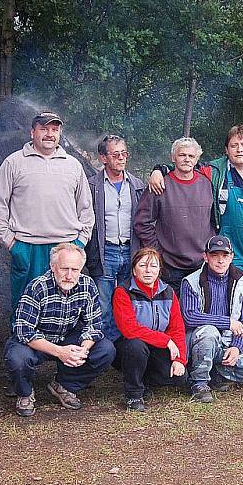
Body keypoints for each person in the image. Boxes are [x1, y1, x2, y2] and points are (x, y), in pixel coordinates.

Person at [148, 125, 243, 345]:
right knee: (233, 297)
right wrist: (160, 169)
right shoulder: (215, 171)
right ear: (226, 150)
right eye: (234, 145)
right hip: (230, 248)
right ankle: (227, 347)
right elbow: (185, 166)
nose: (239, 149)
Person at [0, 111, 94, 310]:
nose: (49, 134)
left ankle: (60, 341)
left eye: (54, 130)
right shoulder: (14, 163)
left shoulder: (73, 165)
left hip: (65, 246)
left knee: (64, 305)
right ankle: (22, 340)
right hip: (28, 246)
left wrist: (80, 241)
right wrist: (11, 243)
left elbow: (86, 208)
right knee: (26, 303)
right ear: (32, 132)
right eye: (43, 129)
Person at [4, 243, 115, 416]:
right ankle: (25, 393)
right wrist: (59, 352)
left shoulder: (88, 285)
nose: (69, 275)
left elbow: (94, 325)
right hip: (36, 340)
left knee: (105, 350)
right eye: (64, 268)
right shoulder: (37, 286)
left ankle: (64, 385)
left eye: (75, 269)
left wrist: (83, 350)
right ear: (53, 267)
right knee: (17, 358)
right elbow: (23, 331)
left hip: (66, 336)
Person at [180, 235, 243, 403]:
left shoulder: (239, 280)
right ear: (206, 257)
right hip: (200, 341)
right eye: (215, 255)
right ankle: (199, 383)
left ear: (231, 257)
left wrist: (237, 348)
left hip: (227, 343)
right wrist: (227, 322)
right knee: (209, 332)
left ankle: (218, 372)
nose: (220, 260)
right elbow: (189, 316)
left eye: (224, 256)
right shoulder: (191, 281)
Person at [134, 137, 215, 292]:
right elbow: (142, 222)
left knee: (199, 313)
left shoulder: (207, 184)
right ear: (173, 158)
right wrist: (157, 251)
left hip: (201, 264)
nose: (186, 159)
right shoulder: (160, 184)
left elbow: (214, 220)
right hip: (170, 266)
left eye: (191, 156)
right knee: (172, 312)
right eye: (182, 155)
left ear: (197, 159)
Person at [112, 247, 188, 412]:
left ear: (159, 270)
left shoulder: (168, 292)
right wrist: (166, 340)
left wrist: (179, 359)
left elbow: (177, 329)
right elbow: (129, 329)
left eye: (153, 266)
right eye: (142, 266)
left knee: (179, 378)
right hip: (128, 347)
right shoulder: (123, 292)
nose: (148, 271)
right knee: (136, 346)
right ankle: (134, 394)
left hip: (157, 348)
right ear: (133, 269)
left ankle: (144, 378)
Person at [86, 135, 146, 341]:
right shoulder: (91, 186)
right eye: (115, 154)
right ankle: (104, 349)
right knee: (102, 303)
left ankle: (123, 348)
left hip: (130, 251)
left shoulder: (138, 186)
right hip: (105, 251)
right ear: (103, 158)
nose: (121, 158)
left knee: (126, 301)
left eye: (124, 153)